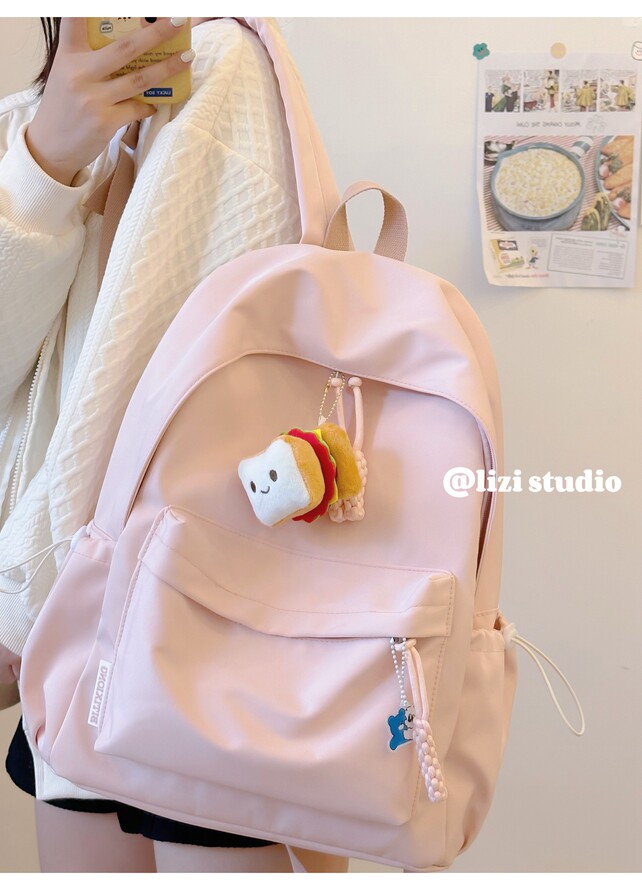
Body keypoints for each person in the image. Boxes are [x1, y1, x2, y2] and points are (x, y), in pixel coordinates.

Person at [0, 17, 346, 874]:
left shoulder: (221, 65)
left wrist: (16, 615)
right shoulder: (33, 121)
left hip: (161, 633)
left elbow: (133, 397)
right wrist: (45, 166)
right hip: (108, 632)